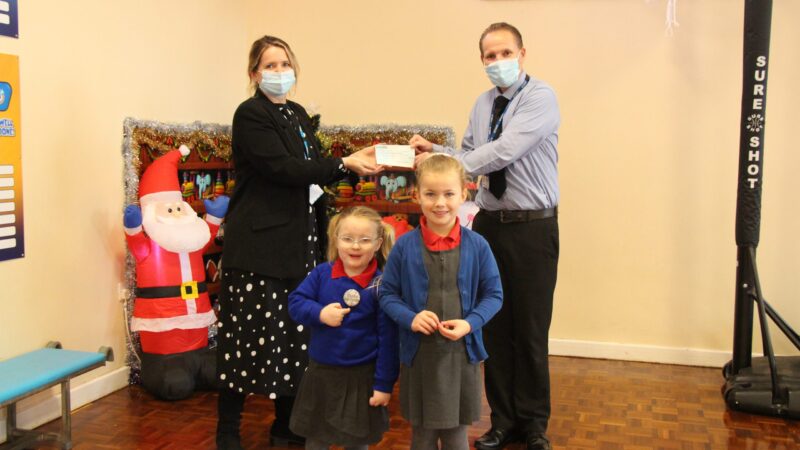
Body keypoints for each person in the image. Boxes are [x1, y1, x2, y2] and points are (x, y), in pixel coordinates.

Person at [216, 35, 381, 450]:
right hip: (258, 251)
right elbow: (284, 168)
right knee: (244, 341)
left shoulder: (297, 113)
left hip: (300, 245)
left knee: (295, 340)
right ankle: (228, 433)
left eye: (285, 63)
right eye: (269, 66)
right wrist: (342, 162)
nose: (279, 72)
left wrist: (351, 168)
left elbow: (310, 171)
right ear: (254, 73)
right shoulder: (250, 114)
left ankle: (285, 426)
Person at [409, 22, 560, 450]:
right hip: (490, 225)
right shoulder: (481, 103)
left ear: (522, 53)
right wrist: (438, 156)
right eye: (489, 56)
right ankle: (503, 421)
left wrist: (444, 156)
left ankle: (534, 426)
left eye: (505, 54)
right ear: (482, 60)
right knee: (492, 327)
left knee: (530, 330)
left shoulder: (541, 98)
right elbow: (470, 152)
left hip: (533, 227)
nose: (498, 63)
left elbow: (501, 151)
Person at [380, 154, 503, 450]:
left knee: (456, 435)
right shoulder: (404, 246)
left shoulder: (478, 245)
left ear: (464, 193)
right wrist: (410, 317)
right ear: (416, 194)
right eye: (430, 194)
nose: (440, 203)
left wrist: (470, 323)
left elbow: (494, 295)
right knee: (421, 435)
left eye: (449, 194)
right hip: (419, 357)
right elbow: (387, 294)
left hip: (461, 357)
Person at [287, 206, 399, 450]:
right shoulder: (321, 274)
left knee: (357, 442)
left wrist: (383, 385)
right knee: (316, 440)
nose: (355, 246)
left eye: (364, 240)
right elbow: (295, 303)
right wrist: (320, 313)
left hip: (362, 378)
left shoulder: (381, 286)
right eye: (347, 239)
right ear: (336, 240)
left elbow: (388, 341)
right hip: (321, 375)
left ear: (378, 243)